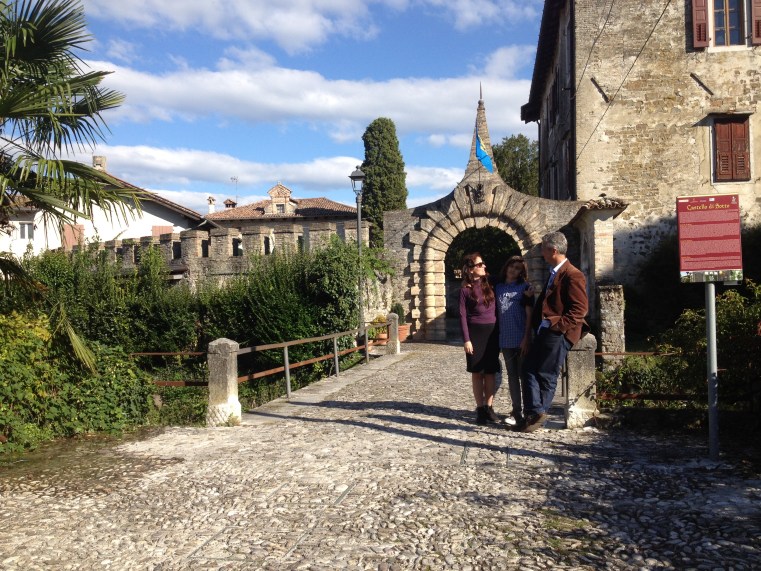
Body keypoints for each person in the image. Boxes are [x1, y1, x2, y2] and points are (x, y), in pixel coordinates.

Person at [517, 232, 588, 433]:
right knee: (529, 368)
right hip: (547, 330)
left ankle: (535, 415)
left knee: (545, 374)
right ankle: (534, 414)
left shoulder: (572, 274)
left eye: (543, 248)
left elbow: (580, 310)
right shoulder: (555, 271)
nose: (541, 252)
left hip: (557, 332)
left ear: (553, 250)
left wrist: (557, 327)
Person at [459, 252, 501, 425]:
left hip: (492, 332)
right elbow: (462, 315)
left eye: (483, 263)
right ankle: (480, 409)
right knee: (477, 373)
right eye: (479, 264)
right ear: (470, 269)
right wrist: (466, 339)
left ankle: (489, 407)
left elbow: (511, 277)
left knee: (490, 372)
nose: (484, 266)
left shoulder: (491, 283)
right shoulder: (465, 289)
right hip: (474, 333)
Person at [495, 256, 534, 427]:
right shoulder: (498, 287)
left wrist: (527, 338)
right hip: (505, 339)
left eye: (518, 268)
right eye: (511, 266)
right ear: (506, 267)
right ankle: (516, 411)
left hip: (520, 338)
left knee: (524, 376)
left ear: (521, 272)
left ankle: (529, 410)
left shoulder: (525, 288)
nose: (513, 270)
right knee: (511, 377)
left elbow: (529, 315)